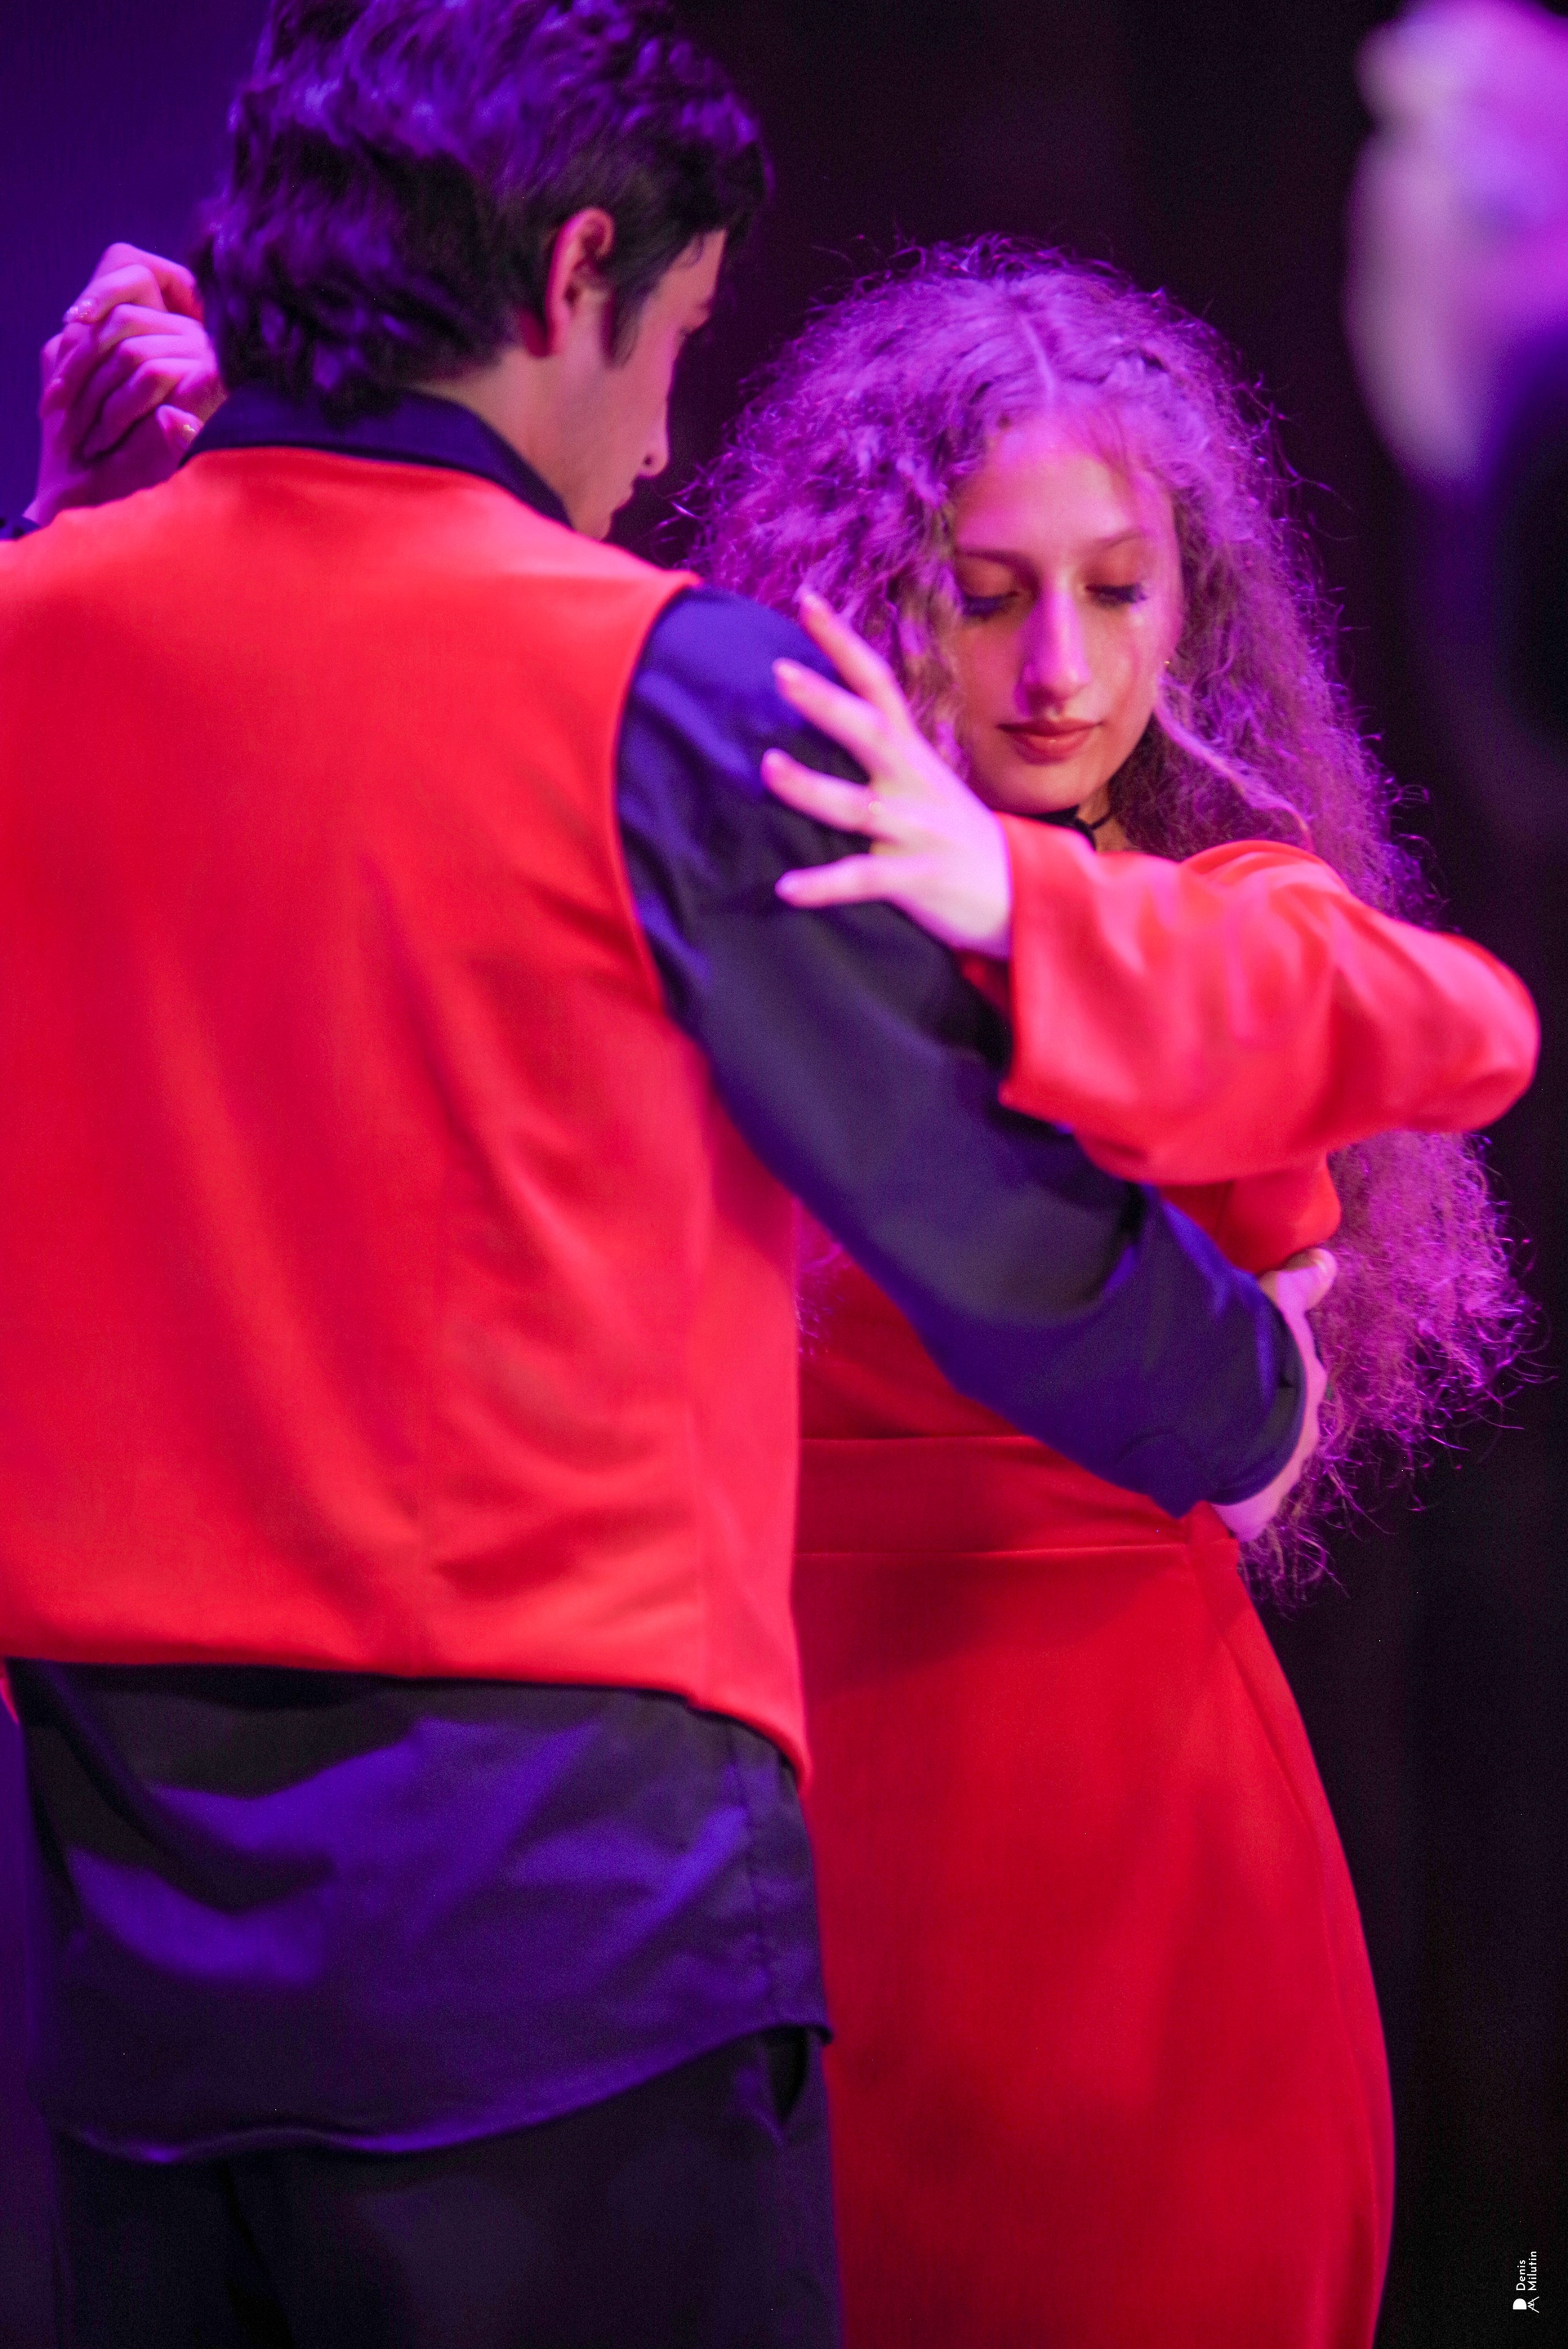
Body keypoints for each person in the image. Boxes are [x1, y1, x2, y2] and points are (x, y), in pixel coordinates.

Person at [0, 11, 1332, 2348]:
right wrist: (1255, 1393)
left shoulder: (38, 629)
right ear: (576, 277)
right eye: (680, 341)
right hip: (571, 1958)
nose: (661, 442)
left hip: (125, 1972)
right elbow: (986, 1221)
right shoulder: (659, 688)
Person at [684, 247, 1539, 2349]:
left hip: (1154, 1862)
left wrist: (1014, 891)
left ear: (1192, 602)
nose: (1061, 665)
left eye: (1119, 587)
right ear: (871, 594)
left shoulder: (1214, 914)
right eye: (987, 596)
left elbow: (1470, 1029)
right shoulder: (742, 936)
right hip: (795, 1826)